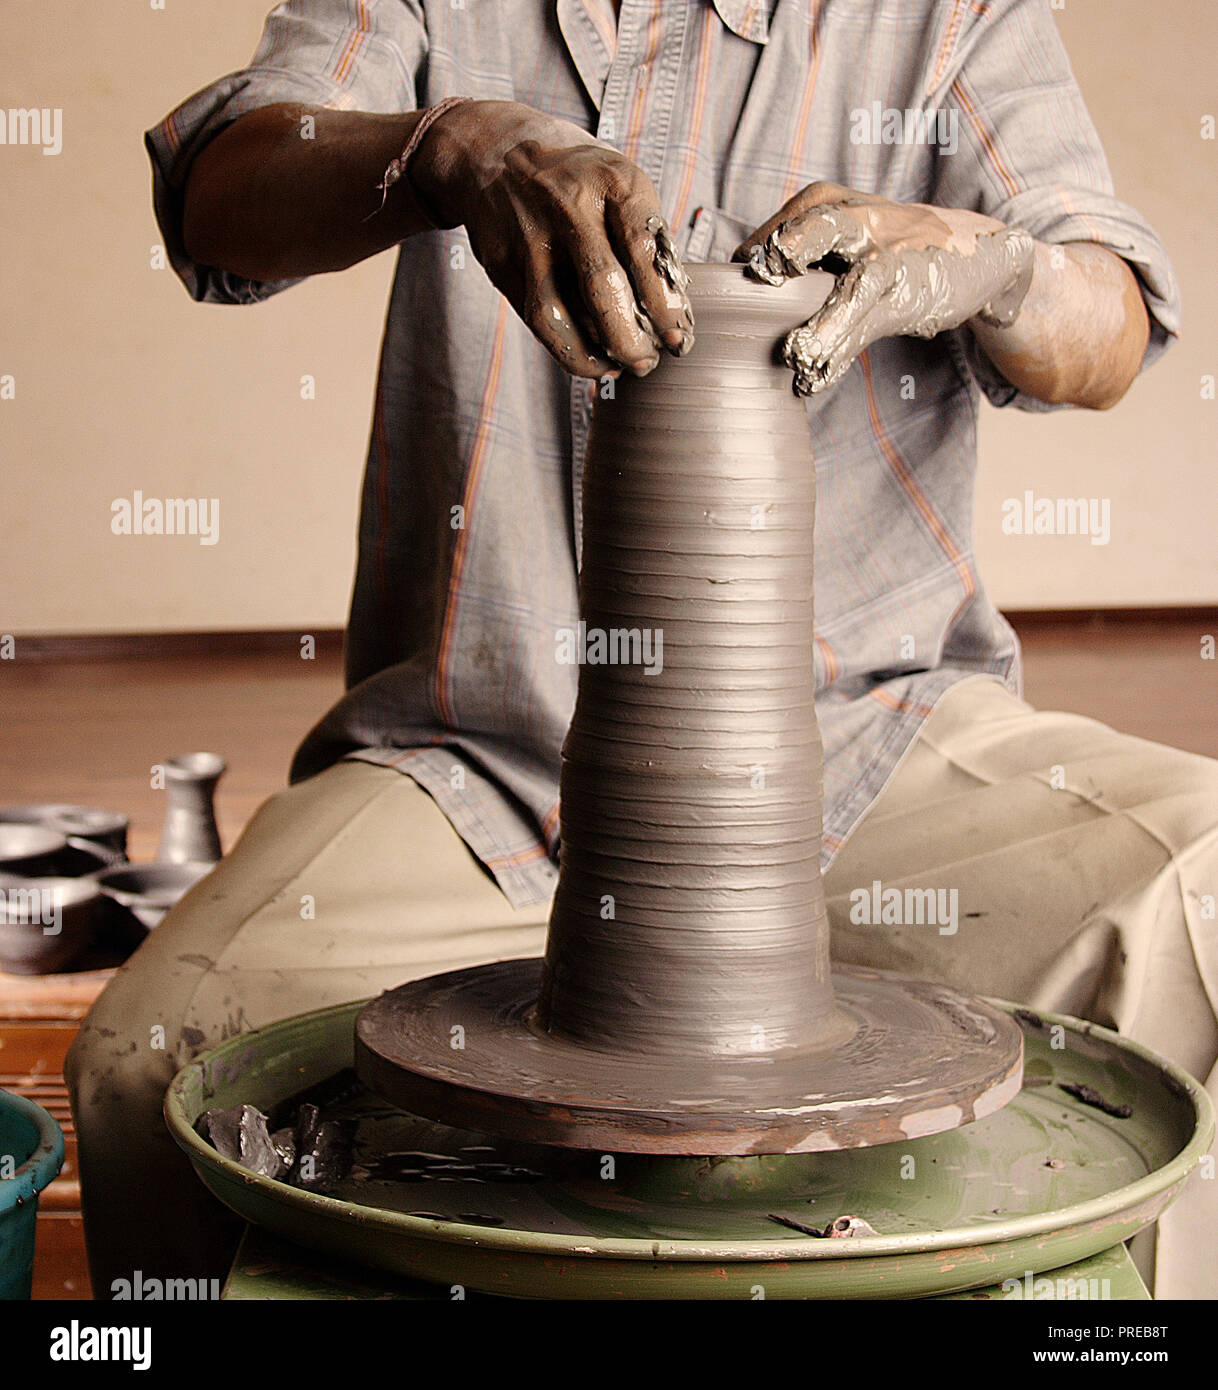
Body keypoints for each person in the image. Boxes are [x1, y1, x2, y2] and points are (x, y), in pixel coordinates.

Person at [67, 0, 1217, 1298]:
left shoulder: (945, 15)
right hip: (482, 758)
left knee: (1197, 899)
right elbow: (222, 190)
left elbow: (1107, 322)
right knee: (142, 1065)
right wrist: (447, 146)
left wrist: (989, 262)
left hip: (868, 743)